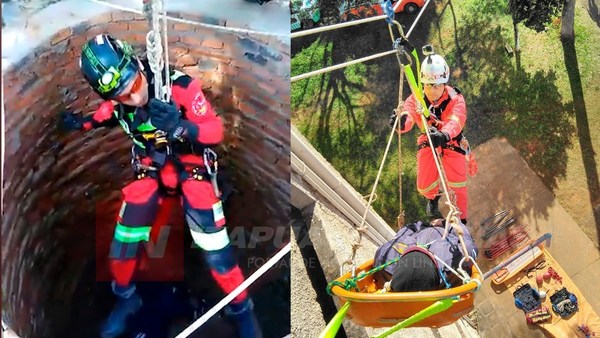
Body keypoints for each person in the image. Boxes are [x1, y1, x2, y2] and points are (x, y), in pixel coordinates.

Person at [60, 34, 261, 338]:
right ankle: (128, 298)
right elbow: (104, 116)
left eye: (135, 85)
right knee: (123, 243)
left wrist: (181, 127)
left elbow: (214, 130)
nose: (133, 97)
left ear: (137, 64)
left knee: (217, 252)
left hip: (192, 169)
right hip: (152, 170)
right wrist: (81, 124)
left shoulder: (176, 87)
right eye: (122, 95)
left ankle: (242, 310)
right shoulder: (118, 103)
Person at [389, 45, 472, 224]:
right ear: (423, 84)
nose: (432, 91)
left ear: (444, 83)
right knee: (424, 184)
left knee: (457, 184)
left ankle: (461, 219)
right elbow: (409, 113)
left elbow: (456, 120)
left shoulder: (455, 99)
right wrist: (401, 122)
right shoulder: (417, 98)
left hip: (451, 142)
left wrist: (443, 135)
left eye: (437, 86)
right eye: (428, 85)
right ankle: (433, 197)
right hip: (428, 139)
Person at [374, 219, 478, 292]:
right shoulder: (452, 260)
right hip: (445, 232)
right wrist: (446, 222)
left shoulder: (386, 257)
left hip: (421, 230)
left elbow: (408, 229)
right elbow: (468, 244)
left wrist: (423, 225)